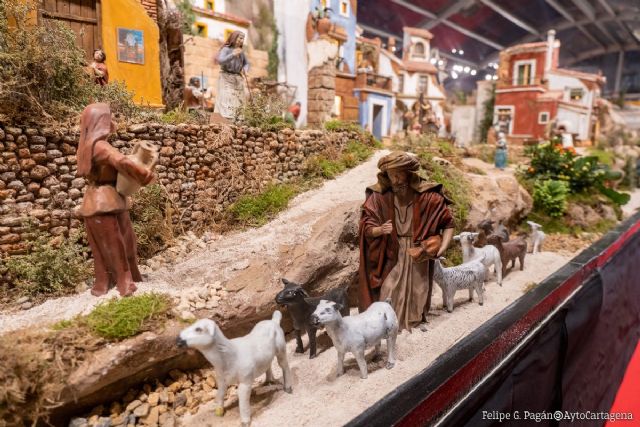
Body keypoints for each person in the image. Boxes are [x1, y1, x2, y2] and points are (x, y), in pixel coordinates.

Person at [358, 151, 455, 331]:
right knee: (388, 288)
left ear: (409, 173)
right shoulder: (378, 197)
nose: (395, 180)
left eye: (399, 174)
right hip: (392, 250)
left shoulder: (429, 197)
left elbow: (448, 223)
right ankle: (387, 324)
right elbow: (367, 225)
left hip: (418, 251)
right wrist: (379, 230)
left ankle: (412, 322)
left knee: (419, 289)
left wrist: (442, 247)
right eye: (391, 175)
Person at [76, 103, 154, 297]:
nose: (113, 122)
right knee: (115, 245)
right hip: (104, 202)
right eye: (109, 118)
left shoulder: (90, 145)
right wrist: (144, 174)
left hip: (108, 201)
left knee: (125, 242)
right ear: (101, 122)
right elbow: (121, 161)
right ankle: (124, 283)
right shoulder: (100, 146)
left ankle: (120, 279)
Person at [215, 31, 250, 120]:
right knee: (227, 98)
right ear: (234, 38)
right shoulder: (226, 49)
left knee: (239, 99)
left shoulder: (241, 52)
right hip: (226, 77)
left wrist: (245, 70)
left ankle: (238, 119)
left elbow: (246, 63)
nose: (242, 40)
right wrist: (232, 55)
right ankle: (226, 118)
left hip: (237, 79)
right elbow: (220, 61)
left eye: (243, 39)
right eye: (240, 38)